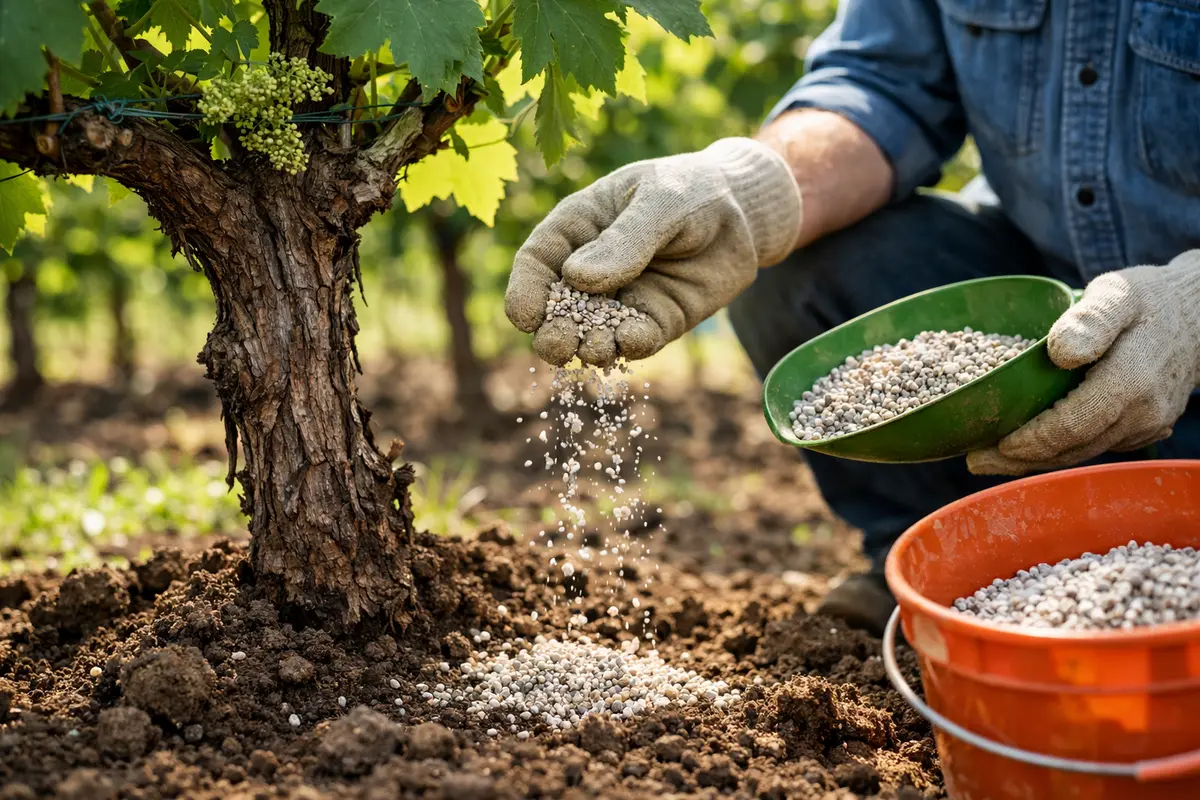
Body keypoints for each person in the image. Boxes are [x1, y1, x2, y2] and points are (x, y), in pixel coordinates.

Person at [504, 0, 1200, 636]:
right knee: (798, 249)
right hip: (1039, 304)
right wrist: (753, 188)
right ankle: (926, 552)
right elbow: (882, 82)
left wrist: (1191, 309)